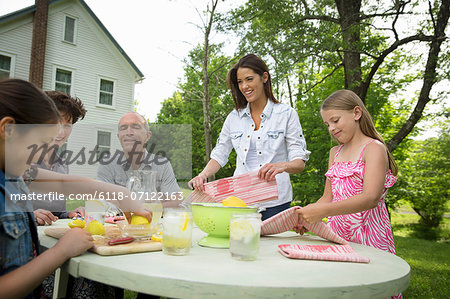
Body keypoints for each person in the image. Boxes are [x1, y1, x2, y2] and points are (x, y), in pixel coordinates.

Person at [0, 79, 150, 299]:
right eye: (41, 142)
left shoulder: (15, 172)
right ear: (8, 129)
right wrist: (61, 252)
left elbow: (61, 183)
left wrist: (122, 195)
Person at [189, 54, 310, 220]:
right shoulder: (233, 118)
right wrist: (202, 175)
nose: (244, 86)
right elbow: (220, 154)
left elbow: (299, 162)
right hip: (241, 202)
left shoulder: (287, 114)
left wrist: (281, 166)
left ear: (264, 77)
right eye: (240, 82)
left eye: (249, 79)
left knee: (272, 247)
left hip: (277, 203)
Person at [296, 89, 399, 254]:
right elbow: (327, 197)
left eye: (335, 120)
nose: (331, 128)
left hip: (368, 237)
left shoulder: (373, 148)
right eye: (327, 124)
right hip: (336, 236)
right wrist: (306, 215)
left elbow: (370, 198)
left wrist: (323, 211)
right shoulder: (334, 153)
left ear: (356, 113)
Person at [97, 111, 182, 208]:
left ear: (147, 136)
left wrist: (125, 203)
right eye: (123, 128)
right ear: (119, 136)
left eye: (135, 127)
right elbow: (102, 201)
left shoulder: (162, 164)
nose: (128, 132)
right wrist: (154, 202)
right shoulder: (107, 164)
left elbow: (175, 201)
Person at [33, 91, 87, 225]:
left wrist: (68, 214)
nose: (61, 132)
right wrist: (29, 215)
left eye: (67, 126)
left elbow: (54, 212)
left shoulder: (62, 165)